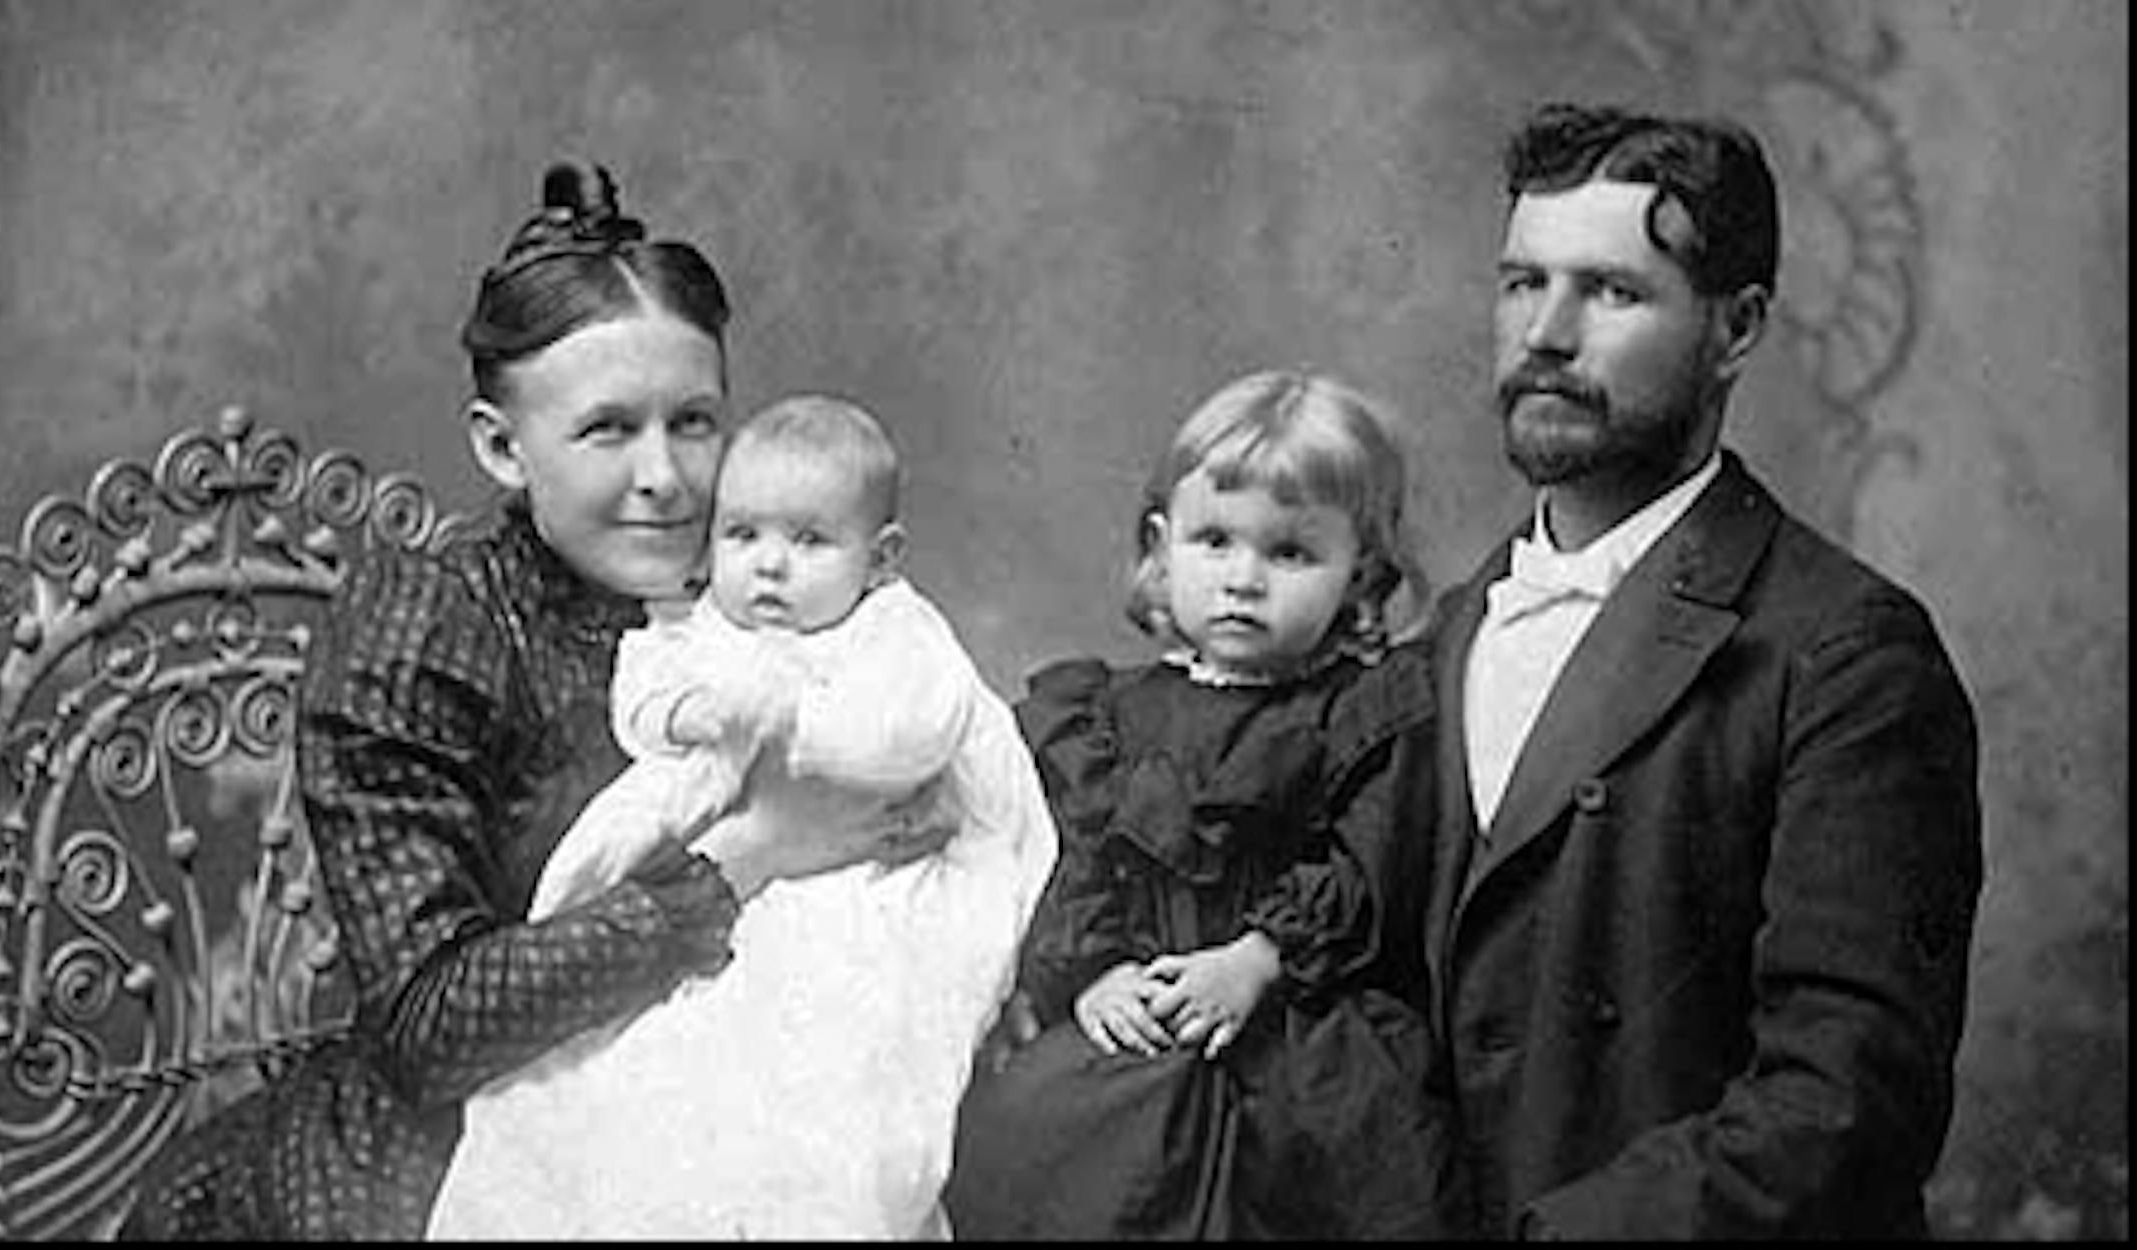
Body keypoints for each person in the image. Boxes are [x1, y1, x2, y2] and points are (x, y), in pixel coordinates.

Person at [120, 160, 956, 1239]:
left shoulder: (780, 587)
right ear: (500, 446)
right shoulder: (432, 621)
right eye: (609, 429)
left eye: (694, 422)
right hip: (461, 1135)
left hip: (748, 1102)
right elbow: (428, 1027)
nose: (665, 475)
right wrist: (748, 861)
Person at [1426, 100, 1983, 1238]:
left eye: (1612, 292)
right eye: (1522, 282)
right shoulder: (1446, 631)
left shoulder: (1848, 654)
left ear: (1738, 329)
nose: (1545, 332)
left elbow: (1844, 1108)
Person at [427, 392, 1056, 1239]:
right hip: (716, 877)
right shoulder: (706, 626)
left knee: (821, 1084)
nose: (769, 567)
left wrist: (781, 712)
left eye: (808, 542)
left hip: (856, 884)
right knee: (582, 1091)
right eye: (743, 534)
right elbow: (644, 689)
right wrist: (684, 713)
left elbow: (903, 738)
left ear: (880, 558)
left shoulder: (896, 635)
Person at [943, 368, 1461, 1240]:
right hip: (1136, 1024)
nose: (1244, 579)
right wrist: (1095, 974)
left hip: (1299, 1043)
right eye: (1214, 541)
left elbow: (1368, 868)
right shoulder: (1101, 719)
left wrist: (1258, 959)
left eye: (1290, 552)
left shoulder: (1368, 713)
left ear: (1360, 573)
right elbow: (1067, 864)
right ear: (1161, 544)